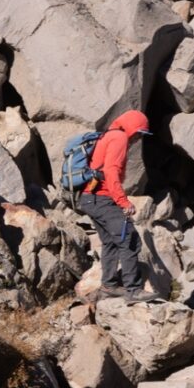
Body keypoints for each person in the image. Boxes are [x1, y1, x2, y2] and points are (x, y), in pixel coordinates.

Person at [78, 109, 160, 302]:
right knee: (130, 240)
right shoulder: (119, 138)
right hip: (103, 199)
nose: (139, 139)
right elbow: (111, 172)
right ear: (131, 128)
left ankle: (109, 286)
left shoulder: (108, 136)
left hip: (90, 198)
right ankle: (133, 290)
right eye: (139, 133)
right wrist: (123, 201)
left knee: (111, 242)